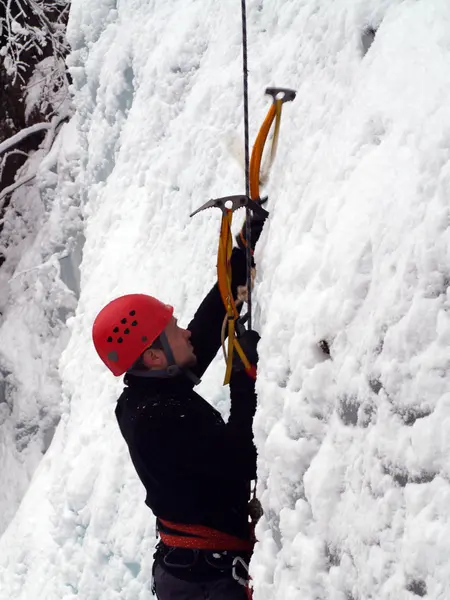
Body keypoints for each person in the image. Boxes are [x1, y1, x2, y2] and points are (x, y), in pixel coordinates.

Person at [92, 214, 266, 600]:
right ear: (155, 357)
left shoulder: (143, 394)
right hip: (207, 583)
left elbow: (200, 338)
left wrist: (239, 260)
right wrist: (243, 380)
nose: (184, 331)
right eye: (174, 330)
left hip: (193, 570)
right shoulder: (159, 418)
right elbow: (242, 459)